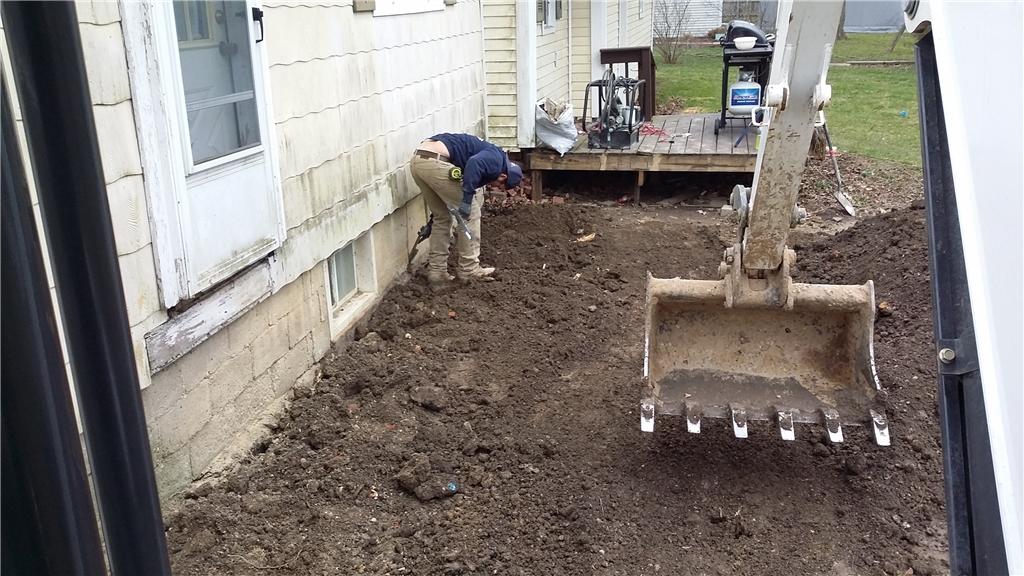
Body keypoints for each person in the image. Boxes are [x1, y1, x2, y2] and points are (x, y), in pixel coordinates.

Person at [409, 133, 523, 285]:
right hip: (437, 162)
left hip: (418, 160)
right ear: (503, 176)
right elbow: (474, 163)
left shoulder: (488, 152)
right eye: (501, 185)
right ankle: (469, 269)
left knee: (441, 217)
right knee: (472, 213)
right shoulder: (497, 160)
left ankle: (437, 272)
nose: (496, 187)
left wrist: (432, 220)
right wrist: (467, 202)